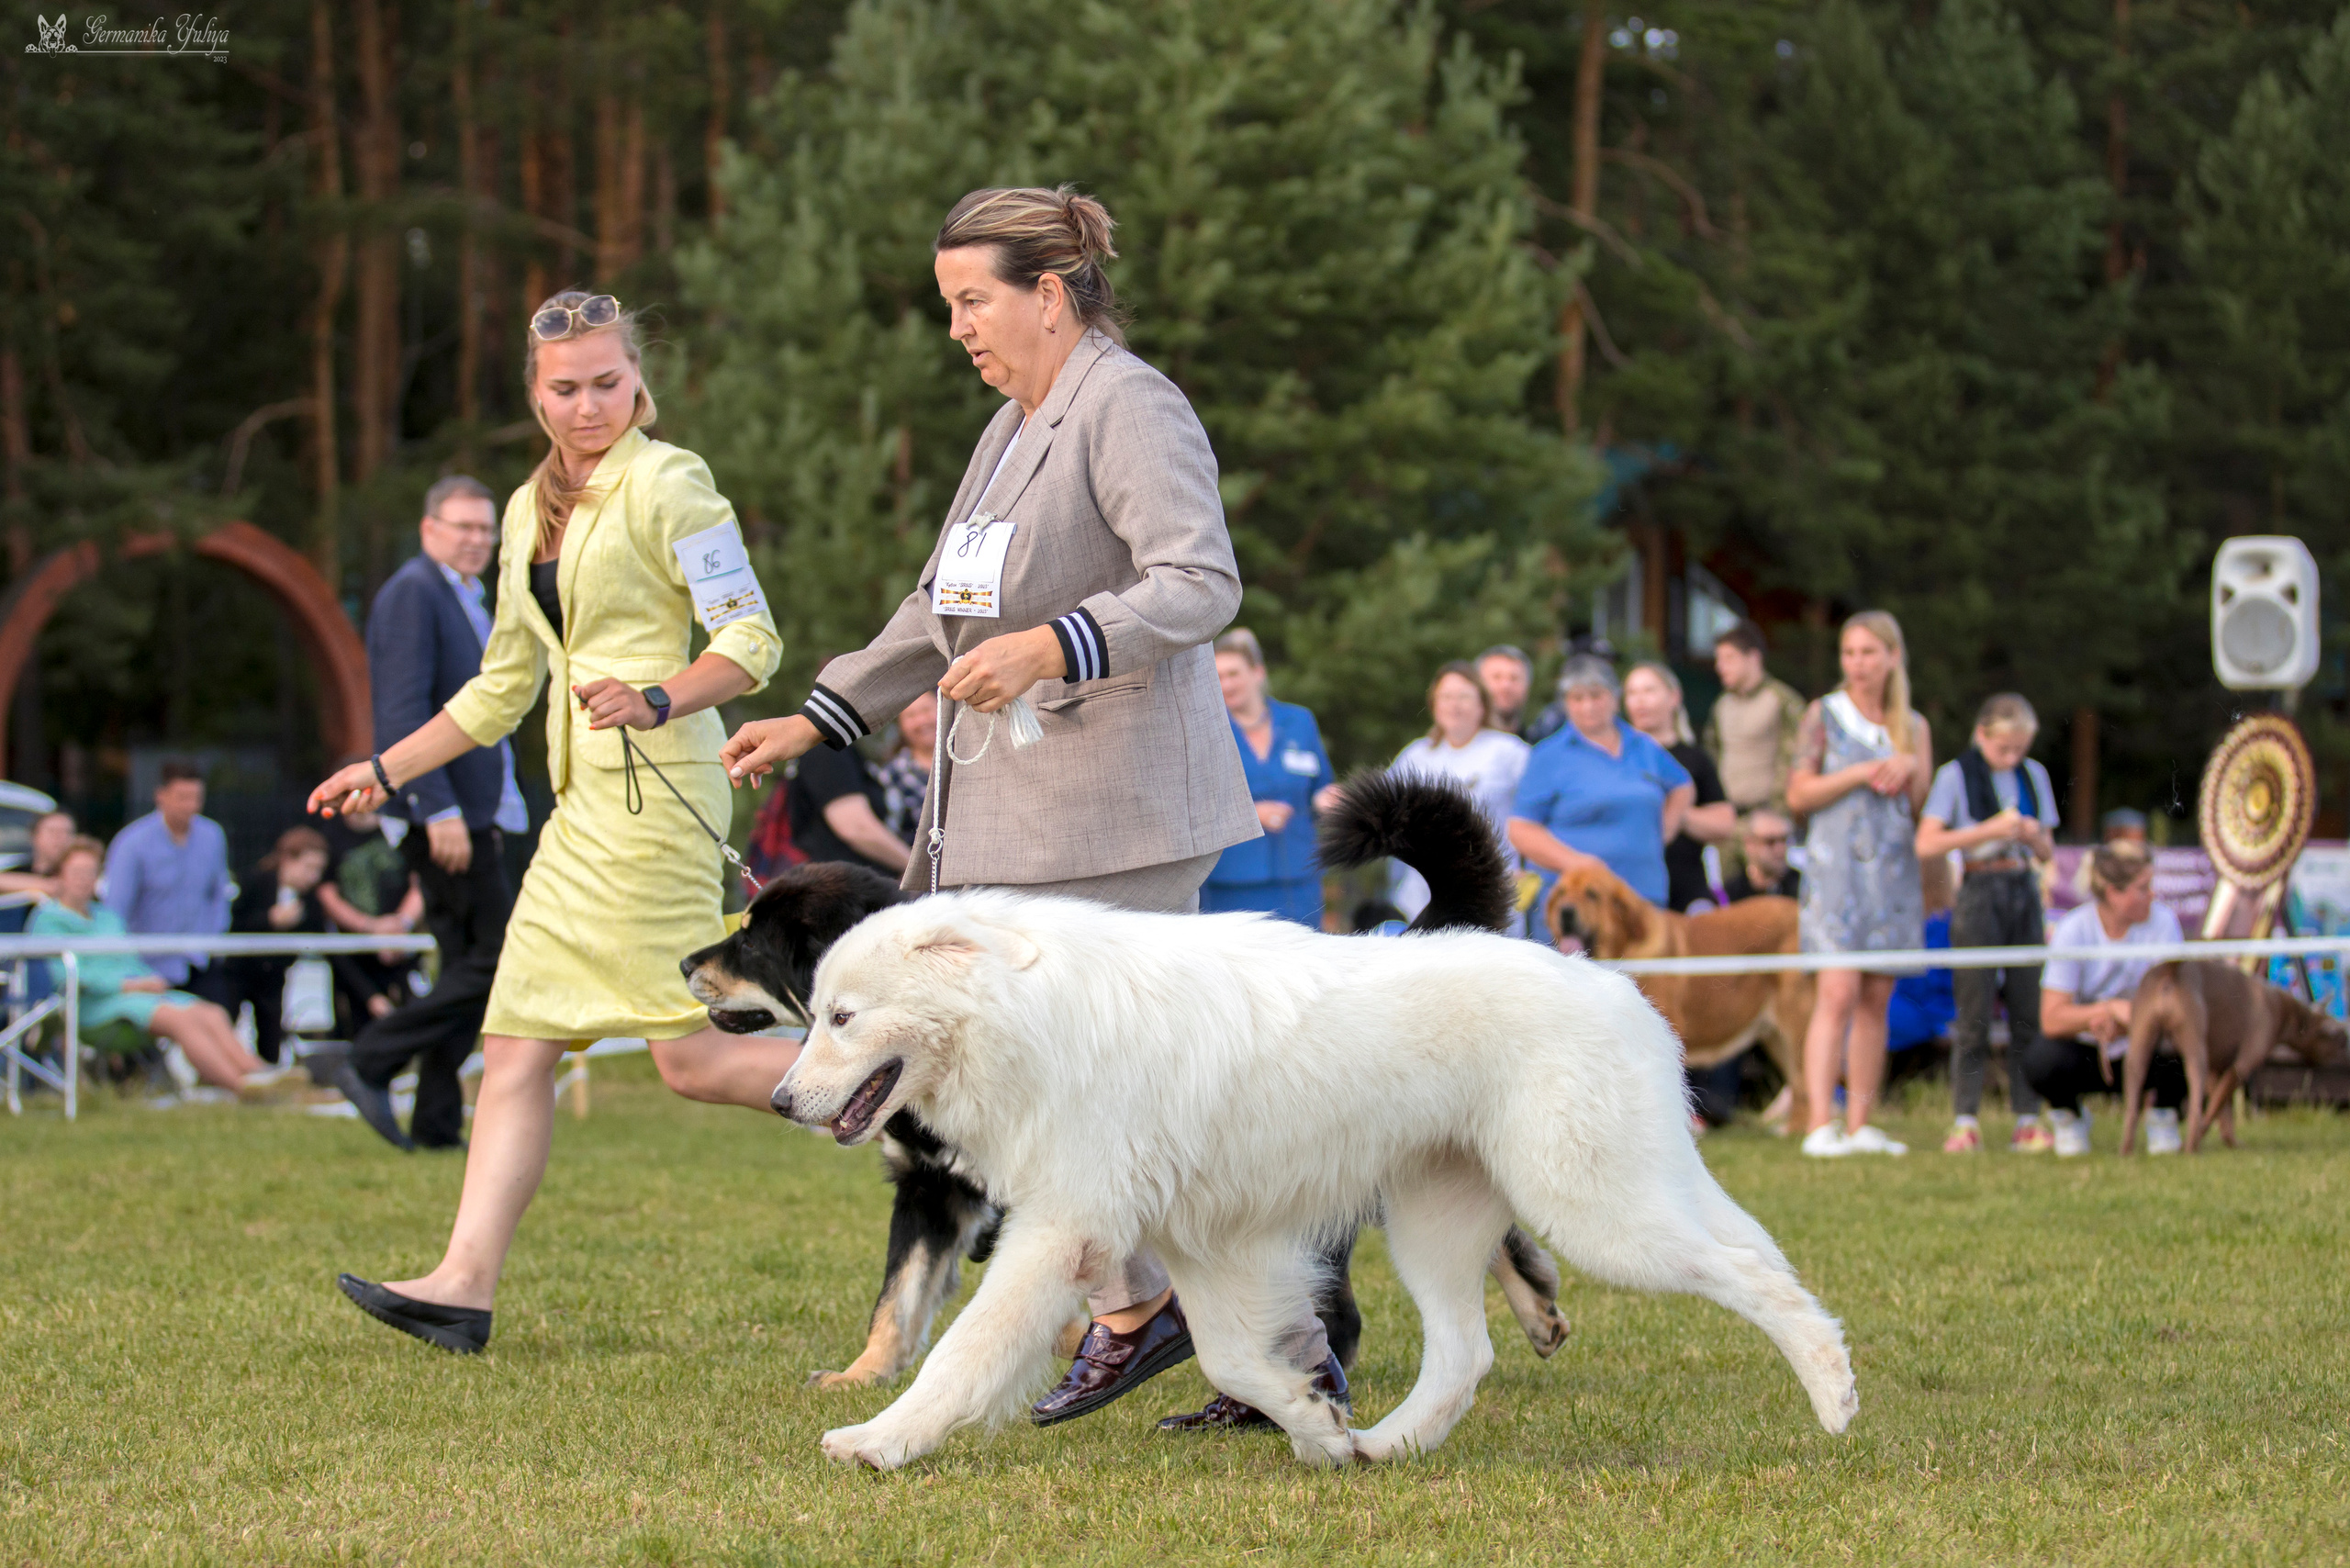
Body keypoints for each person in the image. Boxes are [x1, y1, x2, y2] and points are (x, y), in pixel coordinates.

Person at [717, 186, 1323, 1437]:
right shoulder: (1009, 430)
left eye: (972, 301)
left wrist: (1058, 644)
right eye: (950, 307)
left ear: (1048, 294)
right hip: (1014, 826)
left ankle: (1166, 1322)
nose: (958, 330)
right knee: (1094, 1119)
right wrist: (823, 715)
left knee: (1072, 1116)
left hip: (1121, 822)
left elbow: (1199, 581)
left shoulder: (1132, 406)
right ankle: (1257, 1348)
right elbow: (937, 608)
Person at [308, 287, 788, 1352]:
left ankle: (922, 1105)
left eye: (607, 384)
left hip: (657, 803)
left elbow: (752, 640)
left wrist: (658, 695)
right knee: (515, 1043)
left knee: (691, 1061)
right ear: (535, 393)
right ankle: (461, 1287)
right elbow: (500, 687)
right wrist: (383, 769)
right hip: (578, 814)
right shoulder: (528, 510)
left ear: (635, 379)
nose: (587, 407)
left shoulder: (674, 484)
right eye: (565, 389)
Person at [329, 474, 532, 1154]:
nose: (476, 540)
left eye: (485, 528)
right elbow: (400, 708)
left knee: (462, 965)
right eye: (462, 527)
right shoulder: (413, 593)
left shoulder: (467, 596)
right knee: (496, 958)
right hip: (446, 815)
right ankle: (368, 1059)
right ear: (428, 529)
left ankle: (437, 1121)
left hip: (476, 810)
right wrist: (435, 805)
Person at [1785, 610, 1932, 1159]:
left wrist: (1909, 770)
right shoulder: (1822, 715)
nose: (1858, 664)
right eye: (1850, 653)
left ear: (1893, 657)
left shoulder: (1913, 727)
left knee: (1877, 996)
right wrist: (1858, 773)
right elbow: (1797, 794)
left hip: (1891, 876)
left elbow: (1919, 807)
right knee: (1838, 991)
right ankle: (1820, 1122)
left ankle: (1862, 1120)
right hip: (1835, 873)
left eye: (1869, 653)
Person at [1917, 693, 2060, 1155]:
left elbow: (2048, 852)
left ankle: (2027, 1116)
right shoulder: (1955, 775)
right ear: (1982, 735)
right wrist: (1990, 831)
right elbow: (1929, 842)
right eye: (2005, 749)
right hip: (1978, 893)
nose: (2013, 758)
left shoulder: (2034, 776)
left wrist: (2033, 836)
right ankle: (1965, 1120)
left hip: (2022, 890)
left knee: (2027, 1009)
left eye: (2020, 749)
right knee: (1973, 1011)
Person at [27, 837, 281, 1096]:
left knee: (211, 1013)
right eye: (77, 872)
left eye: (91, 872)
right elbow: (63, 975)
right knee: (181, 1020)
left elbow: (129, 959)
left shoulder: (107, 916)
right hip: (92, 1006)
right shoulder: (48, 920)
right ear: (60, 876)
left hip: (137, 996)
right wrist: (128, 985)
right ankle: (242, 1088)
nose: (84, 879)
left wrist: (149, 979)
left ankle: (262, 1073)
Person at [2026, 842, 2187, 1157]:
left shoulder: (2164, 923)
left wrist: (2133, 1023)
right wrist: (2106, 1011)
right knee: (2040, 1058)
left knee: (2185, 1042)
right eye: (2143, 888)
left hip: (2146, 1044)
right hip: (2090, 1049)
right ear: (2113, 892)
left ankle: (2164, 1114)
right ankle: (2068, 1115)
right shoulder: (2073, 929)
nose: (2152, 895)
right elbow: (2052, 1017)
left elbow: (2177, 1004)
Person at [1507, 655, 1693, 913]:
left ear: (1615, 698)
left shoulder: (1642, 745)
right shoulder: (1548, 755)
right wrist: (1576, 863)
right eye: (1577, 698)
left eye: (1596, 695)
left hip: (1643, 896)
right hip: (1577, 902)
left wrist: (1665, 829)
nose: (1588, 706)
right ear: (1565, 704)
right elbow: (1521, 829)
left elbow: (1682, 785)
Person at [1202, 629, 1340, 928]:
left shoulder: (1300, 721)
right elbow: (1195, 805)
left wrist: (1327, 799)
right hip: (1233, 882)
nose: (1226, 683)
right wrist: (1251, 814)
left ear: (1257, 673)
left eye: (1234, 673)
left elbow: (1320, 786)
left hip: (1299, 876)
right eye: (1218, 676)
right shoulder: (1206, 730)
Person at [1388, 661, 1529, 932]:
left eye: (1464, 697)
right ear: (1434, 704)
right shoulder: (1415, 756)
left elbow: (1539, 813)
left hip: (1490, 896)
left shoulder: (1509, 752)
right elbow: (1381, 814)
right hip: (1422, 899)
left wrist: (1528, 866)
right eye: (1446, 697)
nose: (1455, 705)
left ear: (1482, 705)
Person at [200, 827, 345, 1069]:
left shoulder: (311, 899)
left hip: (274, 976)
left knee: (271, 1036)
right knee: (225, 1027)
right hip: (237, 972)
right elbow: (232, 924)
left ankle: (268, 1078)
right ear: (288, 860)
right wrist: (270, 920)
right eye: (309, 868)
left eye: (318, 870)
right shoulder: (255, 881)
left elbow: (317, 936)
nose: (314, 876)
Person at [105, 761, 231, 992]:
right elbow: (115, 910)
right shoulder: (132, 843)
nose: (191, 806)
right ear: (161, 796)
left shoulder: (212, 836)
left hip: (199, 962)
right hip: (148, 968)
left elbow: (219, 894)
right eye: (182, 797)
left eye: (196, 798)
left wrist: (214, 939)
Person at [1623, 661, 1737, 912]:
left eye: (1649, 691)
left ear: (1673, 697)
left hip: (1686, 889)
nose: (1640, 701)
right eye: (1632, 693)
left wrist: (1677, 811)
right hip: (1630, 890)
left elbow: (1725, 824)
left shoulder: (1694, 759)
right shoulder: (1616, 760)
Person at [1704, 620, 1807, 818]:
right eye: (1719, 660)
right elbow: (1712, 755)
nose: (1721, 667)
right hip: (1729, 817)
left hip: (1770, 818)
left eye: (1729, 658)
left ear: (1753, 657)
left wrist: (1780, 811)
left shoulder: (1782, 700)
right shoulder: (1722, 705)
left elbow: (1799, 759)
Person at [786, 737, 910, 876]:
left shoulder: (836, 748)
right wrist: (915, 868)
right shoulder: (827, 750)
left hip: (850, 881)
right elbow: (856, 828)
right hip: (845, 885)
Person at [876, 691, 937, 844]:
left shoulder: (970, 759)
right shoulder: (890, 775)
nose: (921, 720)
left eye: (926, 710)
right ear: (900, 726)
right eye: (911, 716)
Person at [1724, 809, 1800, 901]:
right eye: (1770, 842)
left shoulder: (1801, 885)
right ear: (1749, 844)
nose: (1780, 849)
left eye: (1784, 840)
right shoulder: (1730, 895)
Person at [0, 808, 75, 902]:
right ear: (35, 836)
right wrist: (44, 885)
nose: (60, 838)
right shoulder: (21, 870)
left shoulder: (77, 874)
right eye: (52, 831)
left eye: (67, 832)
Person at [1474, 645, 1534, 736]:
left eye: (1514, 678)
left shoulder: (1538, 746)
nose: (1506, 686)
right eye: (1496, 677)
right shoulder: (1459, 746)